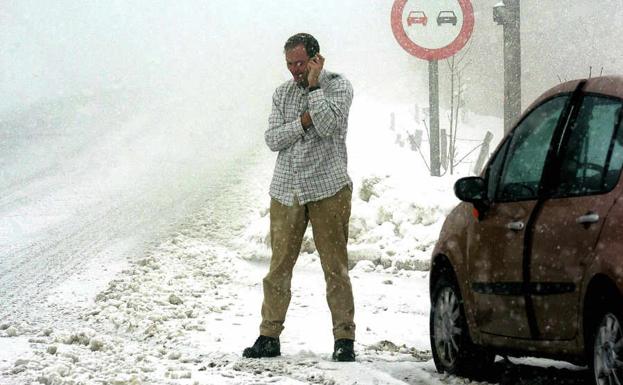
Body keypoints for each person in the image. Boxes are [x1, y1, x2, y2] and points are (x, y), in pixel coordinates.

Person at [242, 33, 356, 362]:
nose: (295, 70)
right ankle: (269, 335)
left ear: (317, 59)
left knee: (335, 268)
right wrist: (302, 122)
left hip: (328, 188)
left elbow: (329, 125)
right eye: (290, 64)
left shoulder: (339, 86)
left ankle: (344, 338)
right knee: (278, 267)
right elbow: (273, 139)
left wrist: (316, 87)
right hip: (286, 190)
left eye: (300, 63)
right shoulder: (282, 94)